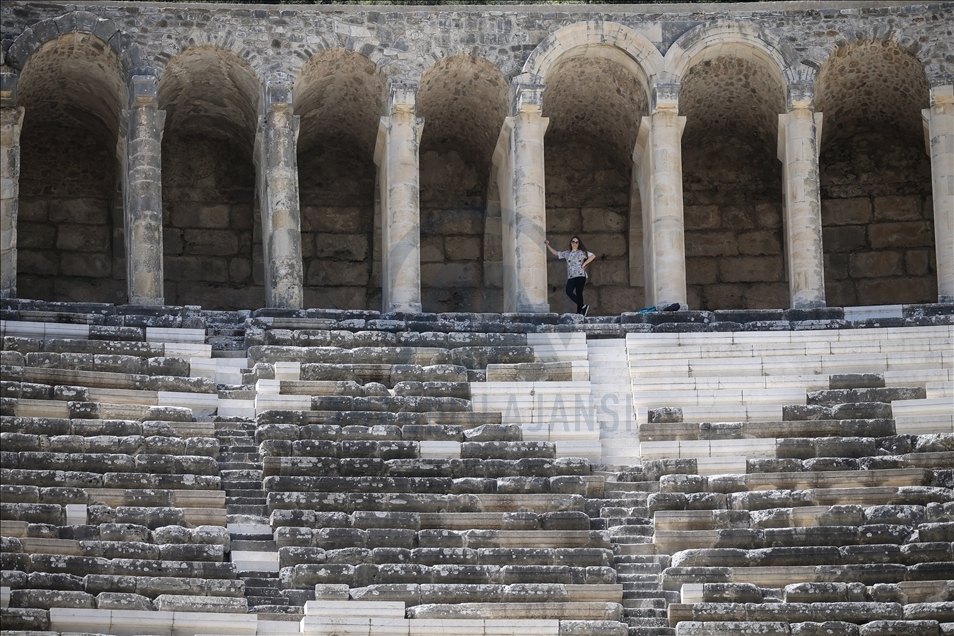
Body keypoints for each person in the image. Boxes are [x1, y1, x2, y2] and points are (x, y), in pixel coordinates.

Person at [545, 236, 596, 316]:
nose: (574, 244)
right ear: (571, 243)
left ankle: (579, 312)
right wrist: (547, 245)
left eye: (576, 242)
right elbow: (556, 253)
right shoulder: (567, 253)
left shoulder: (582, 252)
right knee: (568, 291)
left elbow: (592, 256)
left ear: (579, 244)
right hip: (571, 276)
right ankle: (583, 306)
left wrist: (585, 263)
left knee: (579, 293)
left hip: (580, 275)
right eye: (573, 242)